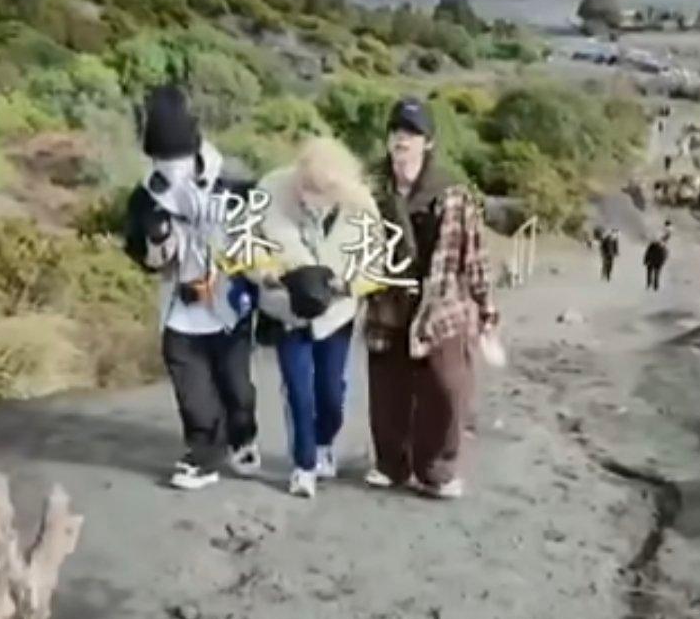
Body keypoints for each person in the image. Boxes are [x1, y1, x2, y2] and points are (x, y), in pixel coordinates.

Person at [123, 85, 263, 491]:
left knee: (237, 388)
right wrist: (156, 240)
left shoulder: (234, 182)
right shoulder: (146, 196)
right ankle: (202, 454)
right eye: (162, 161)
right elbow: (144, 261)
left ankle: (243, 436)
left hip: (228, 304)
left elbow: (259, 237)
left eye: (177, 160)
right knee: (193, 391)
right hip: (179, 308)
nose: (172, 170)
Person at [360, 99, 500, 500]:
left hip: (441, 303)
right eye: (396, 132)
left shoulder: (453, 192)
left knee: (447, 386)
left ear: (428, 142)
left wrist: (487, 308)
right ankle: (391, 464)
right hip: (388, 300)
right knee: (387, 387)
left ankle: (436, 470)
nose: (401, 140)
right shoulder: (370, 187)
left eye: (411, 133)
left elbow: (474, 255)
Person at [252, 137, 377, 498]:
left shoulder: (362, 207)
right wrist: (269, 275)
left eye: (320, 191)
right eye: (305, 186)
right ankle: (303, 465)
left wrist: (346, 284)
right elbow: (245, 242)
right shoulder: (271, 190)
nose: (309, 197)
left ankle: (325, 442)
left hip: (336, 312)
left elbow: (377, 262)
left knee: (330, 391)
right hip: (287, 308)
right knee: (298, 390)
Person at [644, 224, 672, 291]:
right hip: (653, 262)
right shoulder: (657, 246)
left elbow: (664, 256)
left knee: (654, 274)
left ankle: (652, 285)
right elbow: (647, 253)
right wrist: (646, 260)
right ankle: (652, 285)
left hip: (654, 262)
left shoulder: (657, 247)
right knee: (653, 274)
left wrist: (646, 260)